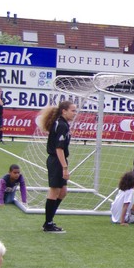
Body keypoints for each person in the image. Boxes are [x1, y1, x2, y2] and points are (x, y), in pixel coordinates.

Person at [37, 100, 78, 233]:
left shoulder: (61, 123)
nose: (75, 113)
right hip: (57, 161)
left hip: (57, 160)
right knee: (54, 191)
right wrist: (64, 167)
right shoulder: (61, 125)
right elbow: (59, 148)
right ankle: (48, 224)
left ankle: (49, 220)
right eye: (72, 110)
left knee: (63, 191)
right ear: (64, 111)